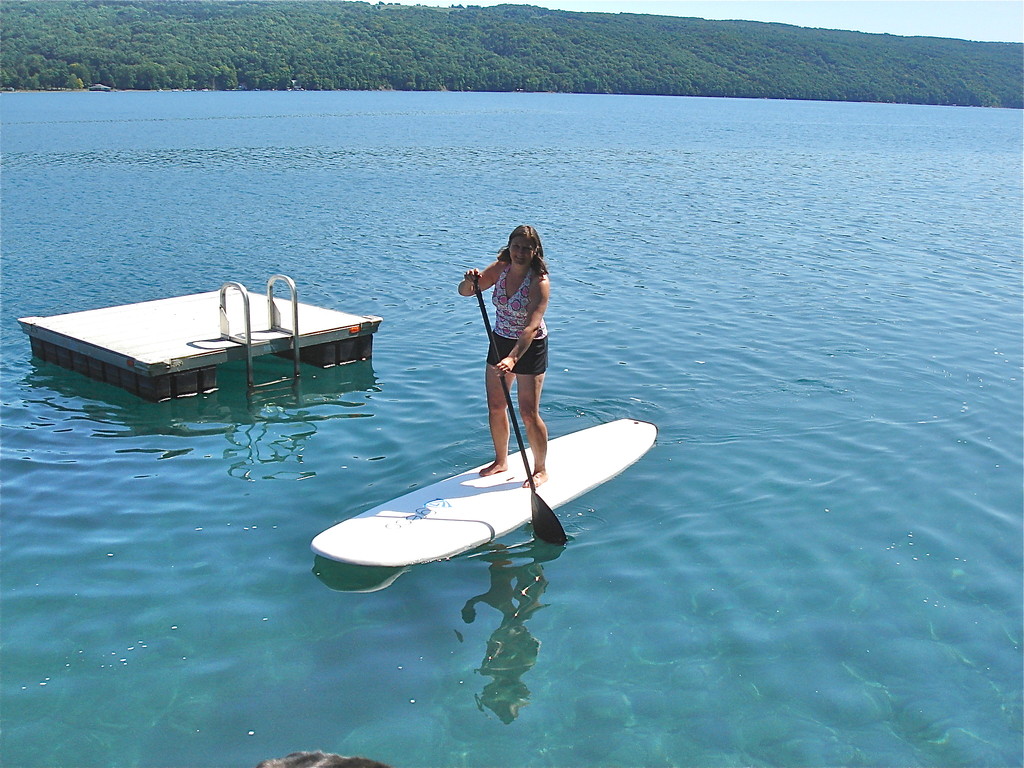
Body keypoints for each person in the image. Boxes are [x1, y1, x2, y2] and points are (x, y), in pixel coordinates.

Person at [458, 225, 551, 488]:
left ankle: (540, 469)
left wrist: (512, 359)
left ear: (535, 251)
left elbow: (531, 327)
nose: (520, 253)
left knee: (528, 412)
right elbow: (466, 292)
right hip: (499, 339)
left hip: (529, 345)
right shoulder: (500, 268)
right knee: (496, 406)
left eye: (526, 248)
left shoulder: (539, 282)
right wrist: (470, 281)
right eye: (516, 247)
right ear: (509, 247)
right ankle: (501, 461)